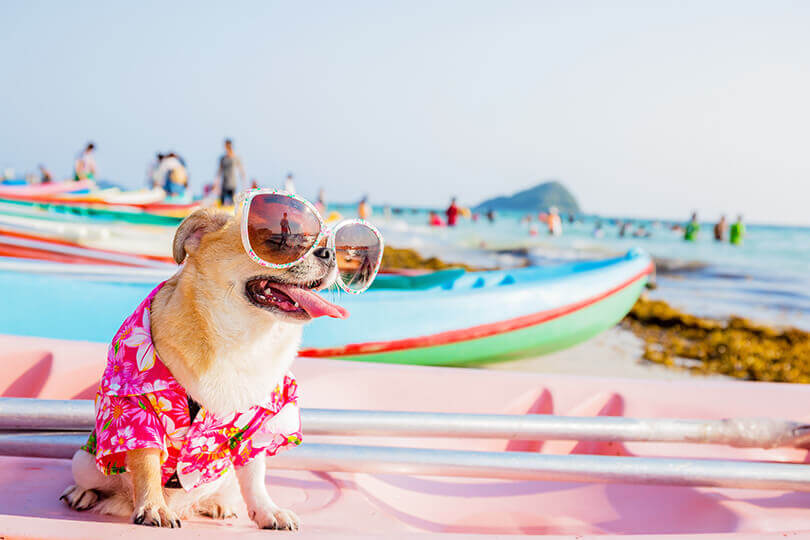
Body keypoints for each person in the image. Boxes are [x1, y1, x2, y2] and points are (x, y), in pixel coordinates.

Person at [216, 139, 246, 206]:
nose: (226, 148)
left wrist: (244, 185)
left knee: (233, 202)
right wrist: (216, 184)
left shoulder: (236, 157)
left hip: (232, 184)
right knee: (221, 202)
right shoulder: (222, 158)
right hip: (224, 183)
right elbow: (219, 171)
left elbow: (241, 171)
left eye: (227, 146)